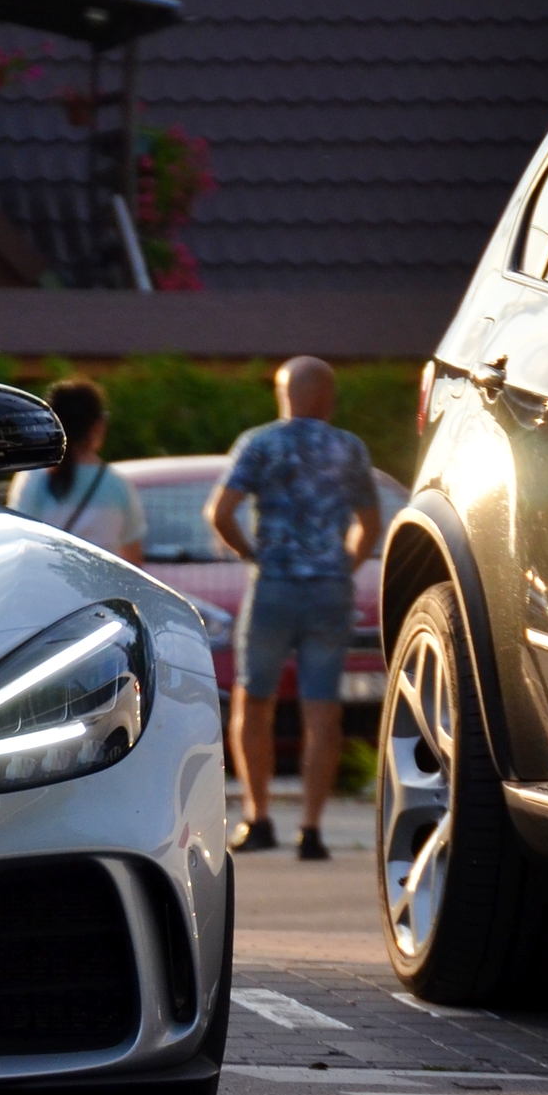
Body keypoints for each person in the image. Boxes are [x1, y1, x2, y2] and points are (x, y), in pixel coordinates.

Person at [206, 356, 383, 860]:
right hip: (330, 591)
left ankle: (258, 819)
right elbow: (370, 522)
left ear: (284, 396)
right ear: (328, 398)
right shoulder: (349, 448)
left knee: (254, 700)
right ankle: (311, 829)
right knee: (322, 705)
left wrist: (251, 553)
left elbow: (220, 512)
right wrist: (343, 565)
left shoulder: (261, 443)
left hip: (275, 587)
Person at [6, 378, 144, 562]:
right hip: (101, 588)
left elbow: (17, 545)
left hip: (47, 585)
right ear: (99, 425)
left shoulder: (33, 478)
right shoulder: (117, 485)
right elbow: (133, 560)